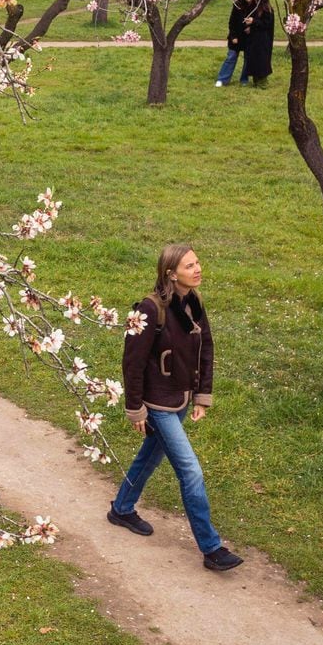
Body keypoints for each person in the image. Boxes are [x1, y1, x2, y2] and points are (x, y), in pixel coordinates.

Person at [106, 243, 243, 572]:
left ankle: (122, 509)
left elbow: (205, 346)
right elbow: (132, 362)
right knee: (190, 472)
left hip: (180, 398)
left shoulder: (193, 301)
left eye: (197, 263)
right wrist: (135, 408)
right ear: (171, 273)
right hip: (157, 403)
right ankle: (211, 549)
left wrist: (202, 396)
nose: (197, 269)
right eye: (189, 266)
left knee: (149, 457)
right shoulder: (150, 309)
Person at [235, 0, 274, 87]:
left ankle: (262, 81)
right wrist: (250, 26)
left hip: (263, 40)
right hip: (255, 39)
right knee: (254, 59)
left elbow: (265, 24)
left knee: (261, 60)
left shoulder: (267, 10)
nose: (255, 0)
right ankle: (256, 81)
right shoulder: (258, 9)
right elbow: (257, 23)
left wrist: (253, 21)